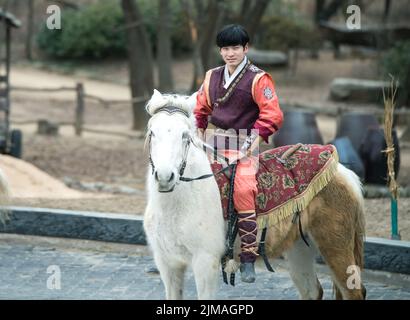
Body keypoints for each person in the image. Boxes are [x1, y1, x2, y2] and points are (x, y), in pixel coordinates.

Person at [194, 24, 283, 283]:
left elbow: (272, 115)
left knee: (243, 189)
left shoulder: (258, 78)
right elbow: (201, 109)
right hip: (214, 143)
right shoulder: (212, 76)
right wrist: (198, 136)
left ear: (246, 48)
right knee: (188, 182)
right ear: (220, 50)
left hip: (246, 144)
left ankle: (247, 257)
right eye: (225, 48)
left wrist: (248, 146)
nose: (230, 53)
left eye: (235, 47)